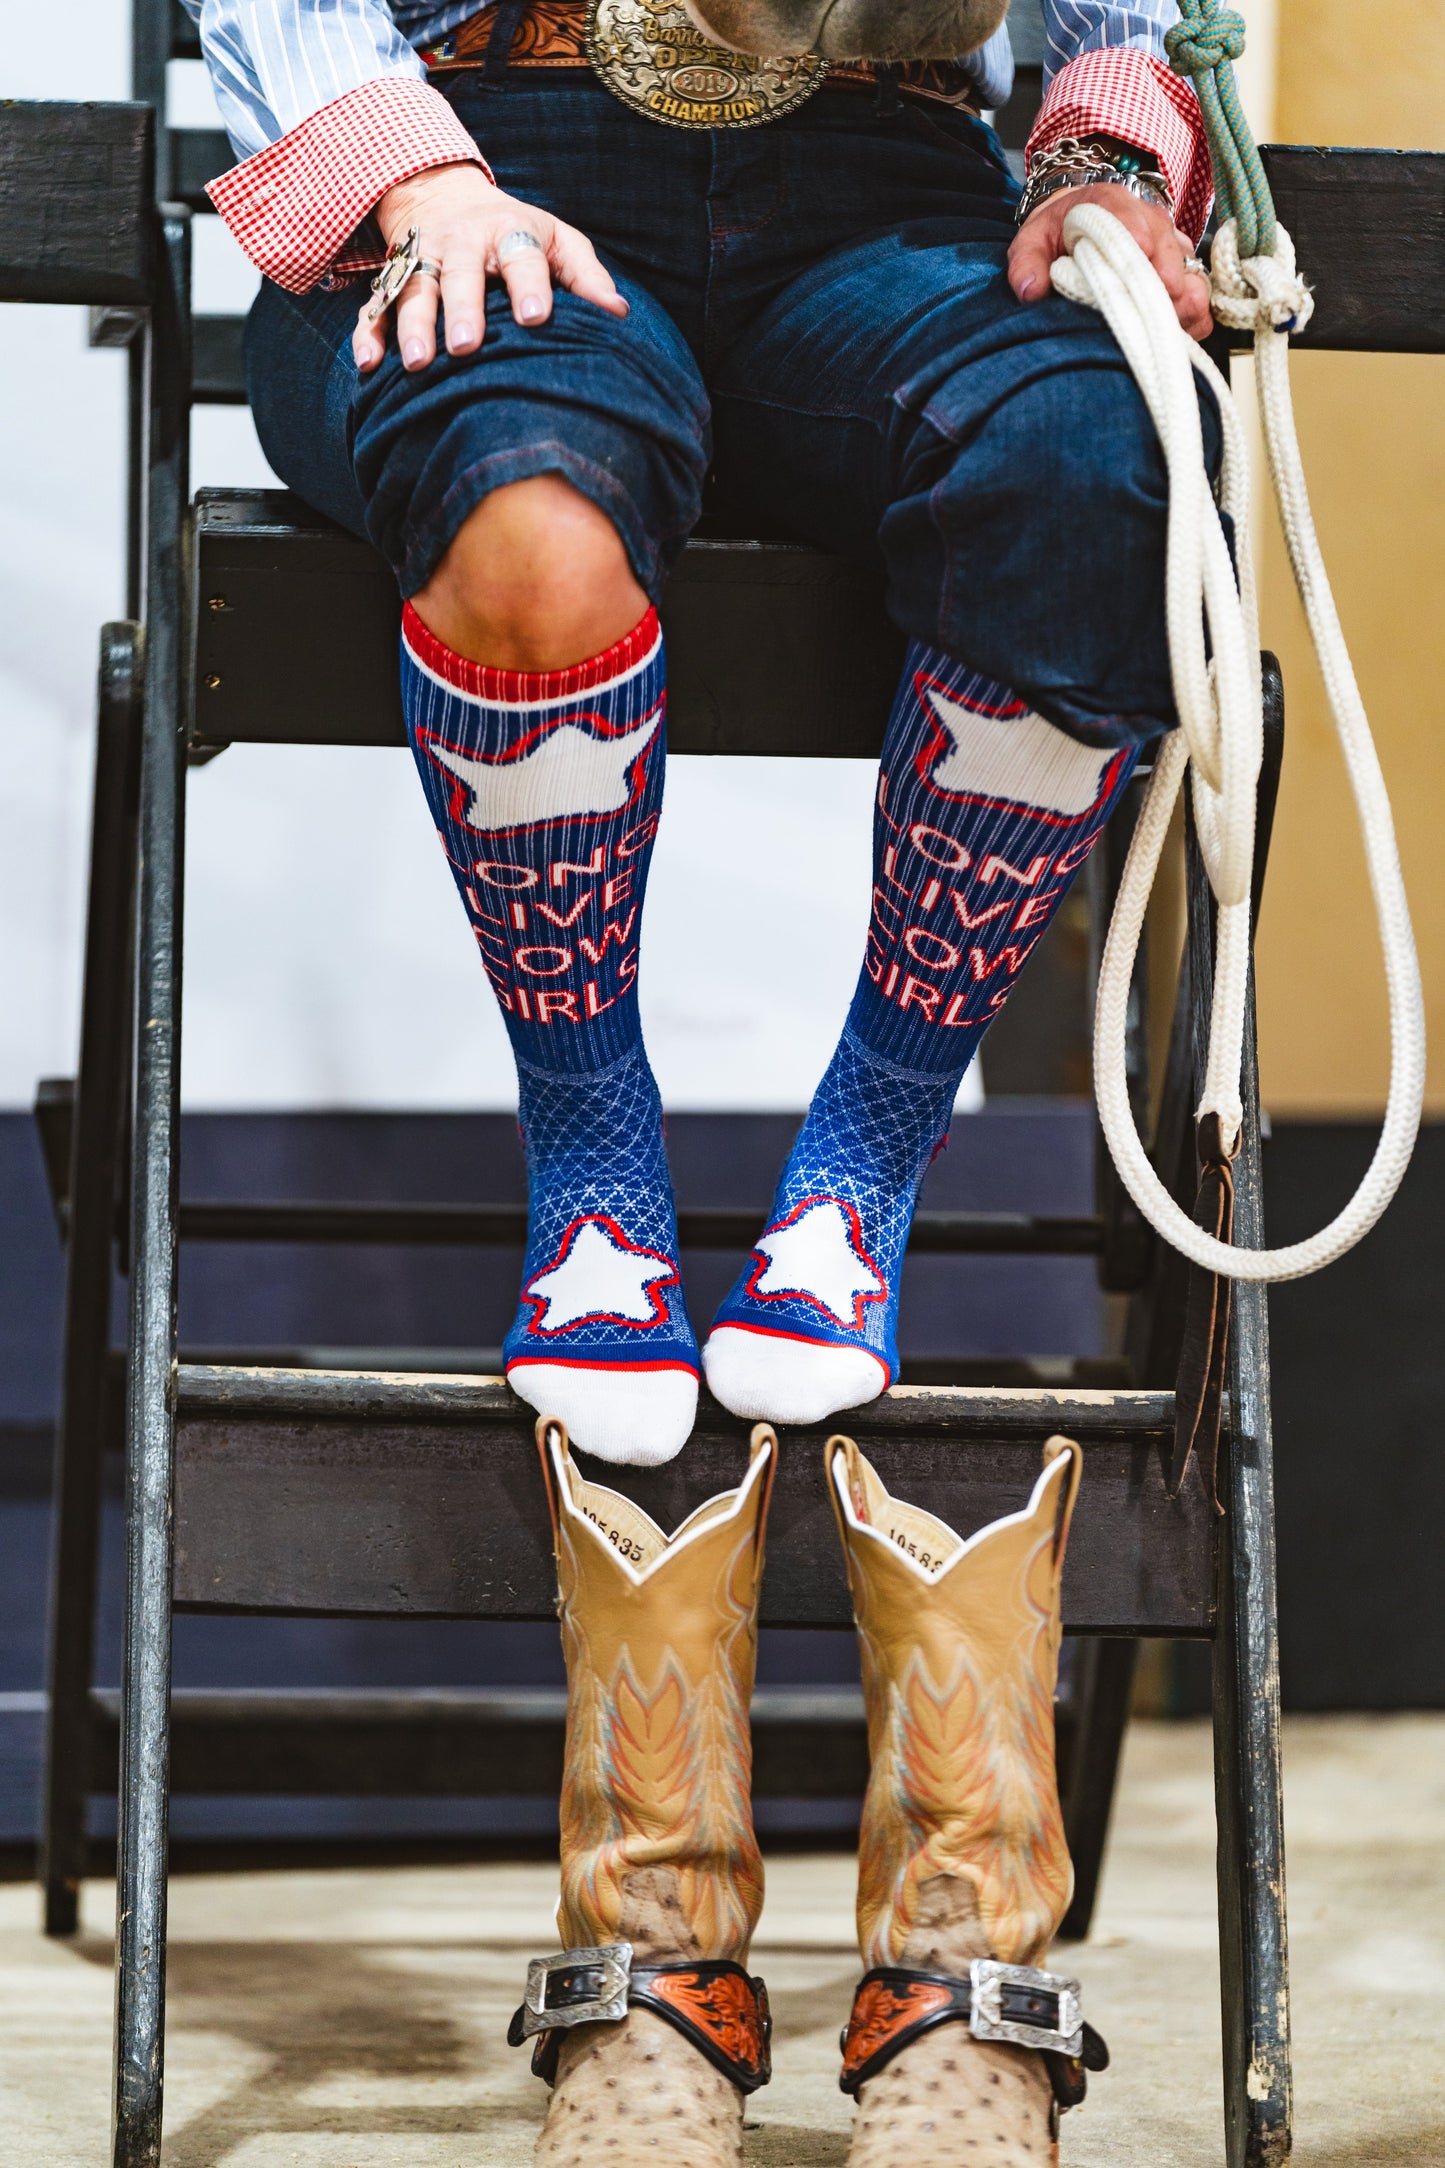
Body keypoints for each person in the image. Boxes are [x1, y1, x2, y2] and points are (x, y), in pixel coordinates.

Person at [191, 1, 1219, 2156]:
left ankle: (860, 1164)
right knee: (534, 534)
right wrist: (412, 171)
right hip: (480, 143)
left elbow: (1128, 23)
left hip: (901, 184)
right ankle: (596, 1165)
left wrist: (1113, 145)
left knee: (1098, 478)